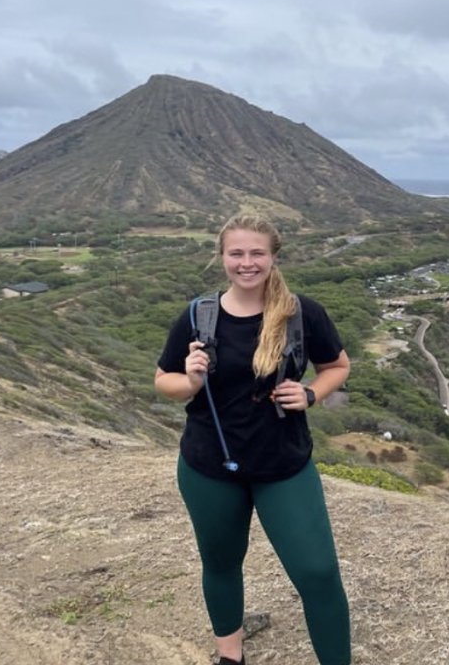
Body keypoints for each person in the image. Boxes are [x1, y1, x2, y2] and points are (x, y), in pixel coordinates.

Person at [155, 215, 352, 665]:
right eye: (237, 253)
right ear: (222, 257)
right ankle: (231, 655)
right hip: (209, 466)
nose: (247, 263)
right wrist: (189, 382)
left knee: (318, 572)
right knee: (221, 563)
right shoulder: (196, 316)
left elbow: (337, 366)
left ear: (273, 257)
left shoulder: (303, 313)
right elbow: (162, 380)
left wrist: (310, 394)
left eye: (257, 253)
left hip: (282, 464)